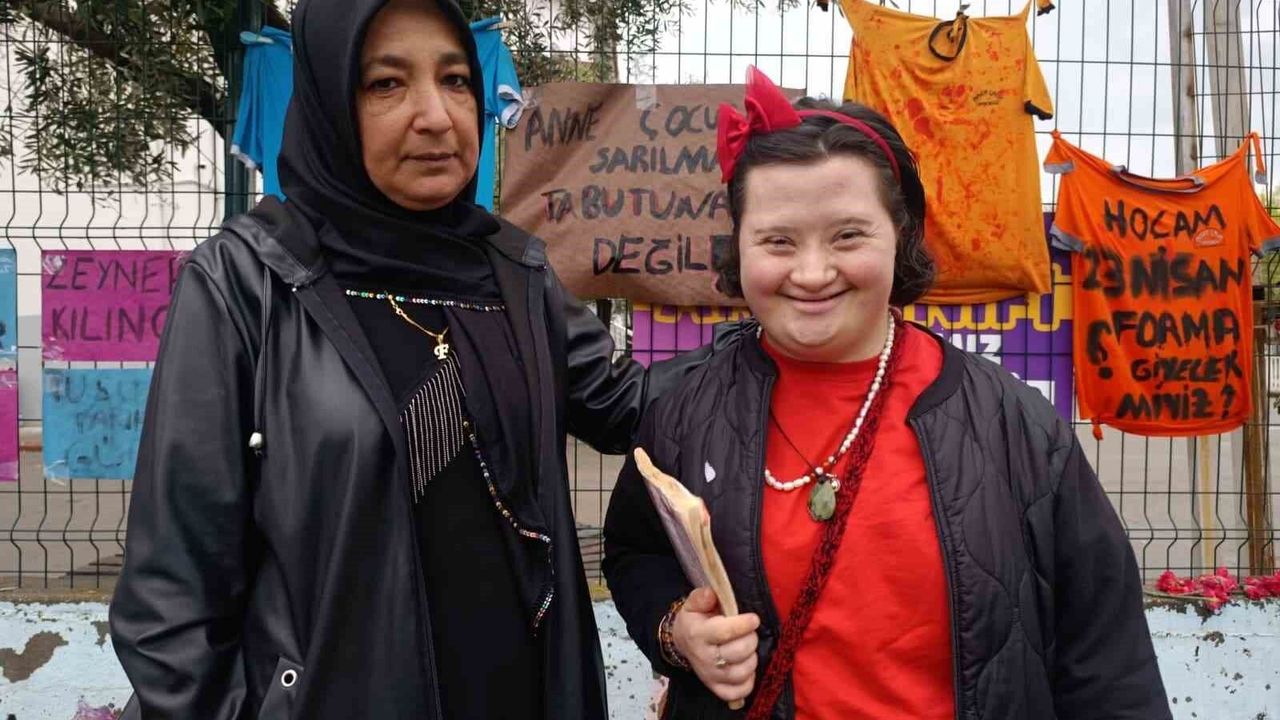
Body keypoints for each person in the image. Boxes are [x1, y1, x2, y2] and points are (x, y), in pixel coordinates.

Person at [108, 1, 706, 717]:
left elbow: (629, 406)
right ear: (331, 102)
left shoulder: (513, 273)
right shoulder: (249, 283)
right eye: (387, 84)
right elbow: (171, 595)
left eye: (456, 81)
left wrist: (784, 327)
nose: (436, 116)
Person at [602, 67, 1172, 720]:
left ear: (901, 235)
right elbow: (636, 554)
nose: (812, 272)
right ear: (739, 246)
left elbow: (1107, 661)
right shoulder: (683, 412)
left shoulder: (1017, 427)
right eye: (778, 241)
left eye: (848, 236)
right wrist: (677, 630)